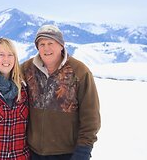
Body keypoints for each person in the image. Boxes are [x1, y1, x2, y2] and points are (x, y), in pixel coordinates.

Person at [21, 24, 101, 160]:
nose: (46, 48)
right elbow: (3, 81)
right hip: (32, 152)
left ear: (61, 45)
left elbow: (91, 116)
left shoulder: (79, 71)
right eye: (42, 44)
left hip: (67, 153)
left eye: (51, 43)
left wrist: (83, 151)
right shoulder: (27, 69)